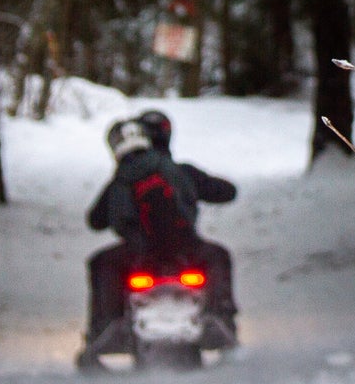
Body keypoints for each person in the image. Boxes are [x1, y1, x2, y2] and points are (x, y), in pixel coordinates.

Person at [76, 114, 237, 370]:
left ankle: (104, 327)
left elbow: (95, 220)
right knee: (219, 256)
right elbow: (226, 191)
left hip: (137, 256)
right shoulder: (179, 171)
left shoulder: (120, 179)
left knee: (101, 263)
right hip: (187, 250)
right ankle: (222, 318)